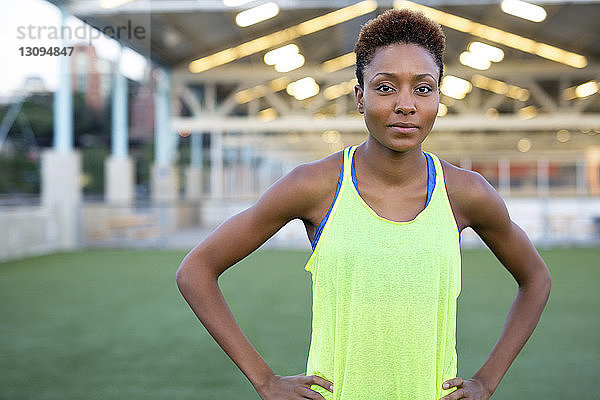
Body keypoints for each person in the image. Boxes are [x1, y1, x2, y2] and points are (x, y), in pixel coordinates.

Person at [175, 7, 551, 400]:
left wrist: (486, 381)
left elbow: (536, 279)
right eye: (386, 87)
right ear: (360, 96)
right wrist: (265, 380)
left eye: (423, 88)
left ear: (438, 96)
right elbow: (196, 271)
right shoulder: (314, 185)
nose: (405, 105)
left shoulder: (465, 192)